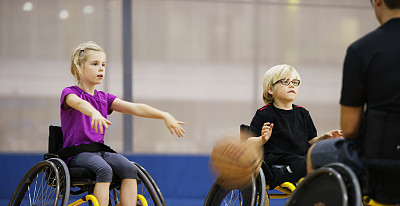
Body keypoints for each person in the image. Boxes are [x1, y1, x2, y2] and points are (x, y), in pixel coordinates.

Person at [60, 41, 186, 206]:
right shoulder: (69, 93)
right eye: (95, 64)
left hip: (98, 152)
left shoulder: (104, 98)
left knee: (130, 169)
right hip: (75, 154)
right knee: (104, 169)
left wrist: (164, 115)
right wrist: (93, 112)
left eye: (103, 65)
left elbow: (135, 108)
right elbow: (77, 103)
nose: (101, 68)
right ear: (78, 68)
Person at [307, 0, 400, 176]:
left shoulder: (361, 50)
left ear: (378, 1)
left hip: (378, 161)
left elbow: (349, 130)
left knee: (315, 153)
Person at [248, 64, 342, 190]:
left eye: (295, 82)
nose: (292, 85)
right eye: (285, 82)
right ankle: (282, 172)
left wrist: (324, 138)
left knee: (327, 161)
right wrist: (262, 139)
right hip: (277, 160)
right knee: (304, 163)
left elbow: (310, 141)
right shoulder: (264, 113)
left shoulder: (303, 113)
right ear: (270, 89)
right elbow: (248, 143)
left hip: (300, 158)